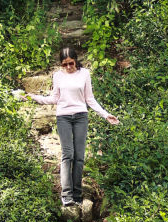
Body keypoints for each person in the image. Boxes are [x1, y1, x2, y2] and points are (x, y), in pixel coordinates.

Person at [28, 47, 119, 207]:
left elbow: (89, 99)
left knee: (79, 156)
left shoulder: (84, 74)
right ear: (61, 65)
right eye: (64, 64)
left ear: (76, 60)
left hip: (80, 117)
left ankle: (77, 195)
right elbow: (55, 98)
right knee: (67, 154)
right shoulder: (58, 76)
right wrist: (34, 97)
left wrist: (106, 115)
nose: (68, 67)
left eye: (71, 63)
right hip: (63, 117)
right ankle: (66, 195)